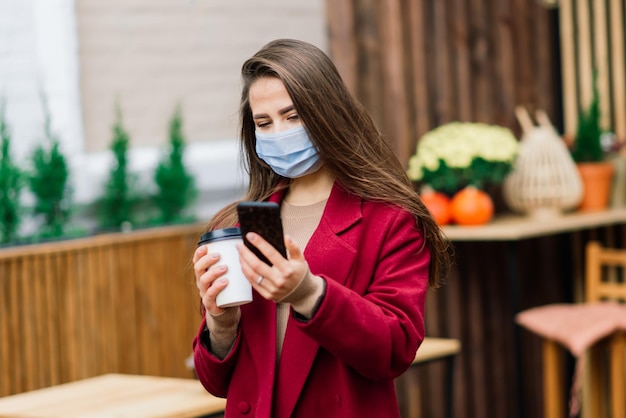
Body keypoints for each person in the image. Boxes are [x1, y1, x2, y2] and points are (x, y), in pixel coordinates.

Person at [192, 38, 451, 418]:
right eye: (264, 122)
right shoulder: (238, 224)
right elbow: (216, 382)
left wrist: (309, 293)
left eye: (293, 116)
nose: (278, 132)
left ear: (327, 112)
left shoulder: (390, 219)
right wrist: (221, 323)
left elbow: (395, 350)